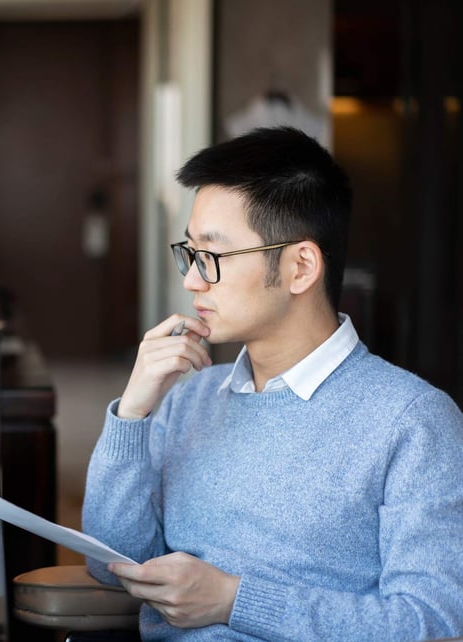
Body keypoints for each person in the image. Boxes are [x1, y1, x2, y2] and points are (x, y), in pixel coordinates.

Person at [82, 126, 463, 641]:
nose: (192, 280)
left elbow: (433, 625)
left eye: (212, 257)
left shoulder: (412, 420)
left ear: (300, 266)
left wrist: (234, 601)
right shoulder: (191, 395)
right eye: (189, 253)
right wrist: (132, 413)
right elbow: (113, 567)